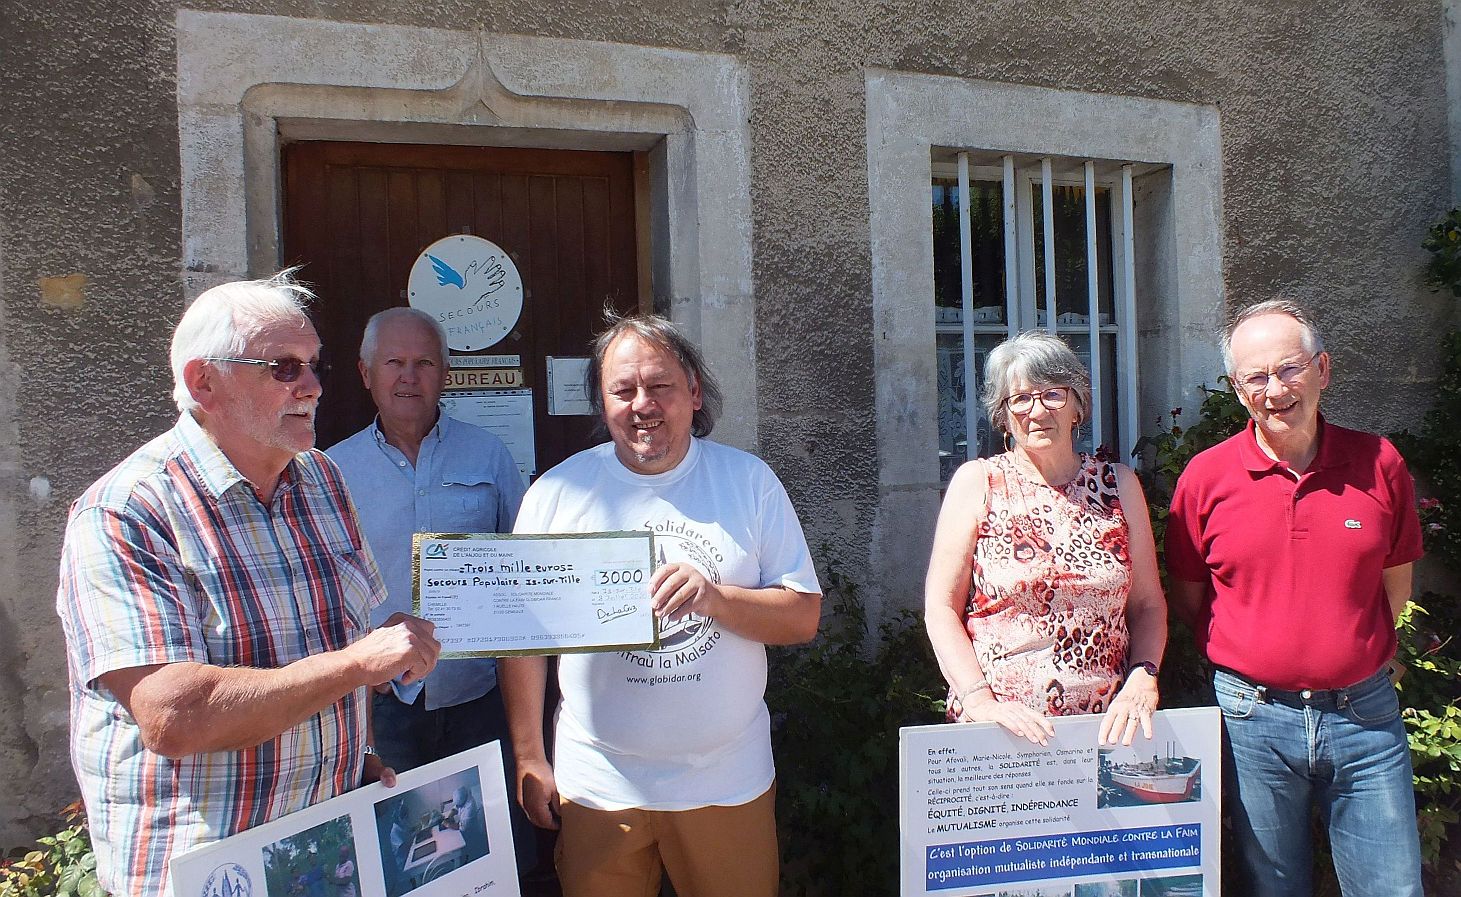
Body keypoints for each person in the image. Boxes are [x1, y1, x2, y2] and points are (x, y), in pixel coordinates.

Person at [55, 273, 441, 897]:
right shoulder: (127, 511)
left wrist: (348, 755)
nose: (313, 387)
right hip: (207, 864)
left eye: (314, 365)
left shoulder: (322, 481)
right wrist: (356, 666)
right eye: (284, 368)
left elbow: (345, 639)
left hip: (320, 849)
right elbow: (173, 716)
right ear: (203, 382)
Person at [499, 312, 822, 897]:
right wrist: (529, 755)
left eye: (660, 386)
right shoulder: (556, 494)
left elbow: (802, 617)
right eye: (622, 390)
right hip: (597, 780)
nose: (642, 404)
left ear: (694, 392)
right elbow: (523, 637)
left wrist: (716, 599)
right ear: (602, 401)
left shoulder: (747, 482)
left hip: (726, 780)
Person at [1165, 300, 1424, 896]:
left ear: (1323, 370)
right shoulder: (1204, 479)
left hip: (1367, 718)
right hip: (1252, 720)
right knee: (1271, 886)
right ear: (1237, 389)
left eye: (1289, 369)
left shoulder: (1379, 463)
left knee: (1393, 886)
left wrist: (1370, 650)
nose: (1274, 389)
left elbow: (1397, 578)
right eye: (1255, 377)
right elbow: (1188, 594)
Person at [327, 307, 533, 868]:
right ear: (366, 373)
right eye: (394, 362)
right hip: (382, 704)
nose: (409, 377)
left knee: (490, 853)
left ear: (444, 373)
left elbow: (527, 564)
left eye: (424, 363)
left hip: (478, 694)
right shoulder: (329, 471)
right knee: (402, 859)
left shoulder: (488, 455)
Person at [924, 331, 1167, 747]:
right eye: (1019, 398)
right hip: (999, 729)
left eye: (1053, 394)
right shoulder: (978, 483)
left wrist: (1143, 677)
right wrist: (980, 700)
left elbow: (1148, 604)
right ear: (1003, 415)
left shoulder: (1119, 486)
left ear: (1078, 405)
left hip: (1106, 729)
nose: (1037, 410)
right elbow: (940, 609)